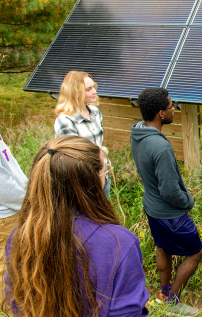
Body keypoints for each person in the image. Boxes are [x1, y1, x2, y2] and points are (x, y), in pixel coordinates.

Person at [1, 136, 149, 317]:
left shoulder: (20, 236)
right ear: (94, 180)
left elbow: (17, 301)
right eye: (105, 171)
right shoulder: (120, 243)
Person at [131, 87, 202, 317]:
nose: (174, 109)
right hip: (170, 214)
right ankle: (172, 301)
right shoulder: (160, 146)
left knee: (162, 246)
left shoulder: (138, 133)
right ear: (161, 113)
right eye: (172, 106)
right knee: (195, 252)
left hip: (152, 208)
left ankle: (162, 293)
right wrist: (188, 201)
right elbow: (170, 191)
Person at [54, 70, 111, 198]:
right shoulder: (65, 120)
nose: (94, 91)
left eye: (94, 87)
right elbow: (70, 156)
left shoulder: (95, 112)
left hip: (102, 176)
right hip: (82, 184)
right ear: (75, 93)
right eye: (88, 89)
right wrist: (99, 154)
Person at [0, 134, 27, 298]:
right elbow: (3, 186)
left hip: (15, 206)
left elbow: (9, 165)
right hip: (6, 214)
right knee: (6, 269)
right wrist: (29, 201)